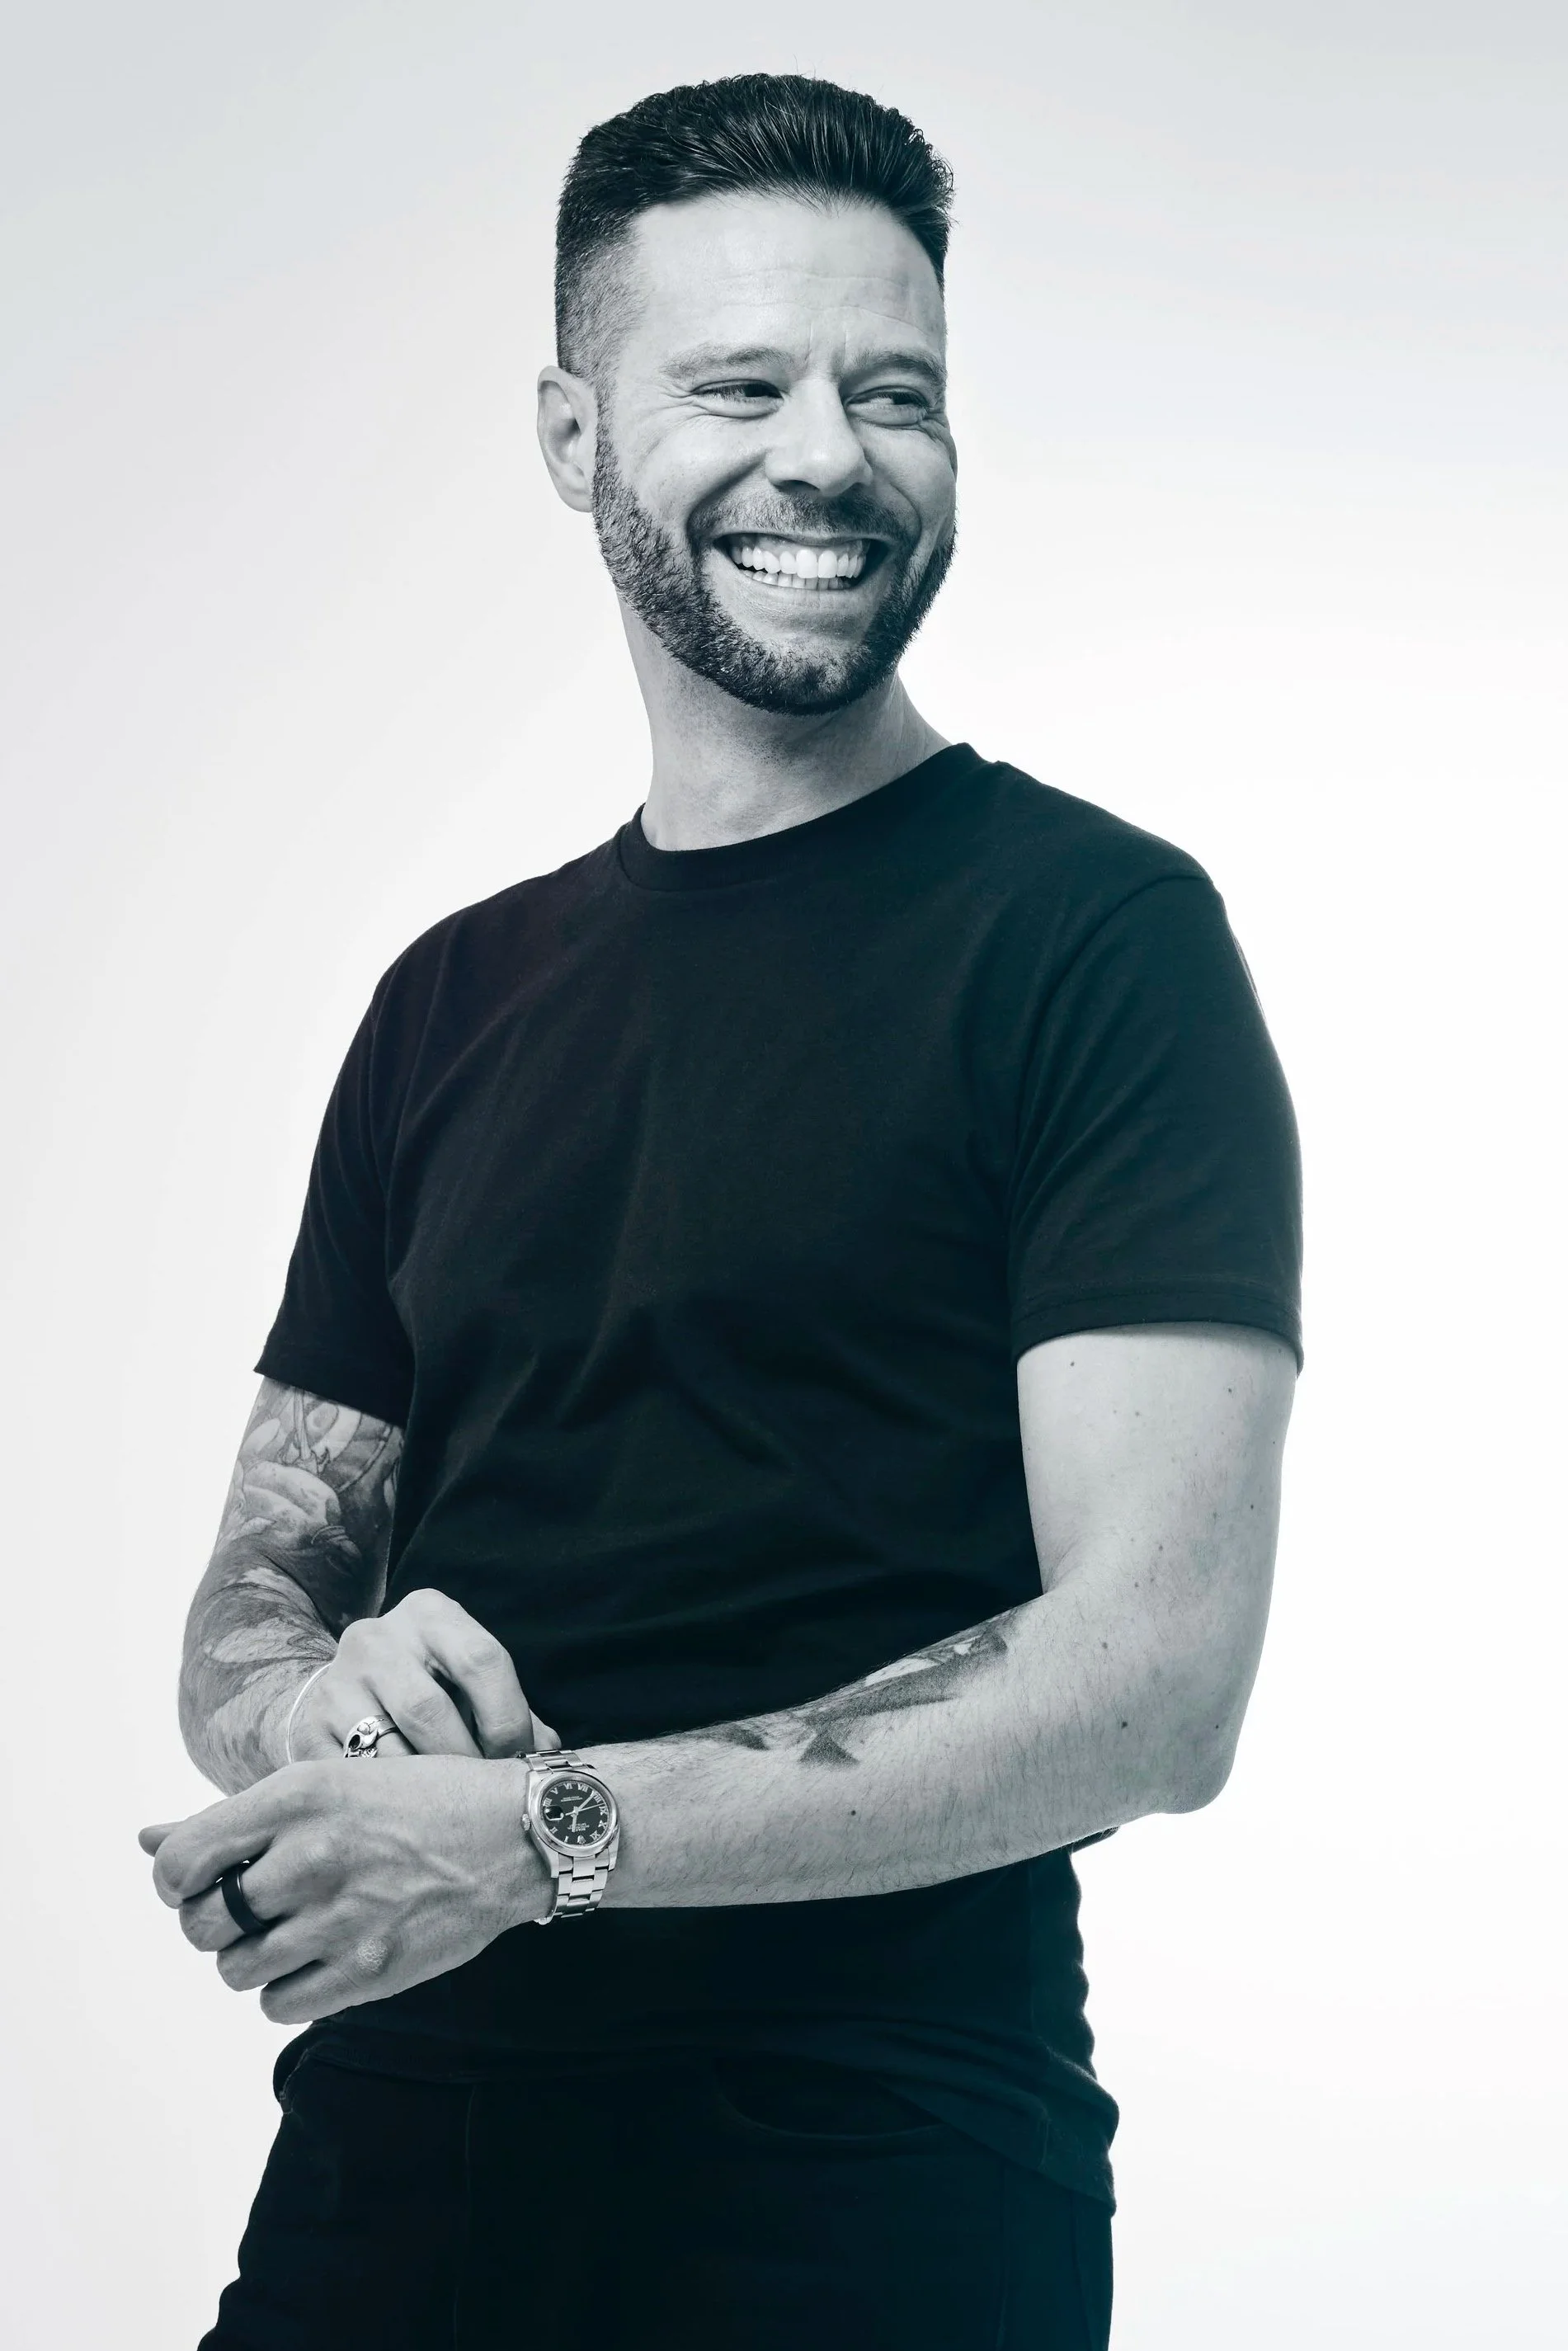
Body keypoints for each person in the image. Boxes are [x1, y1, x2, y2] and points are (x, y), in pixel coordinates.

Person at [142, 72, 1302, 2351]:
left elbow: (1157, 1678)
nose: (830, 457)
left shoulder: (1093, 936)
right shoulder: (448, 996)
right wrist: (324, 1714)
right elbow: (251, 1597)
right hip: (390, 2166)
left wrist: (537, 1838)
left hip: (865, 2199)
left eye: (894, 390)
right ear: (575, 437)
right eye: (737, 383)